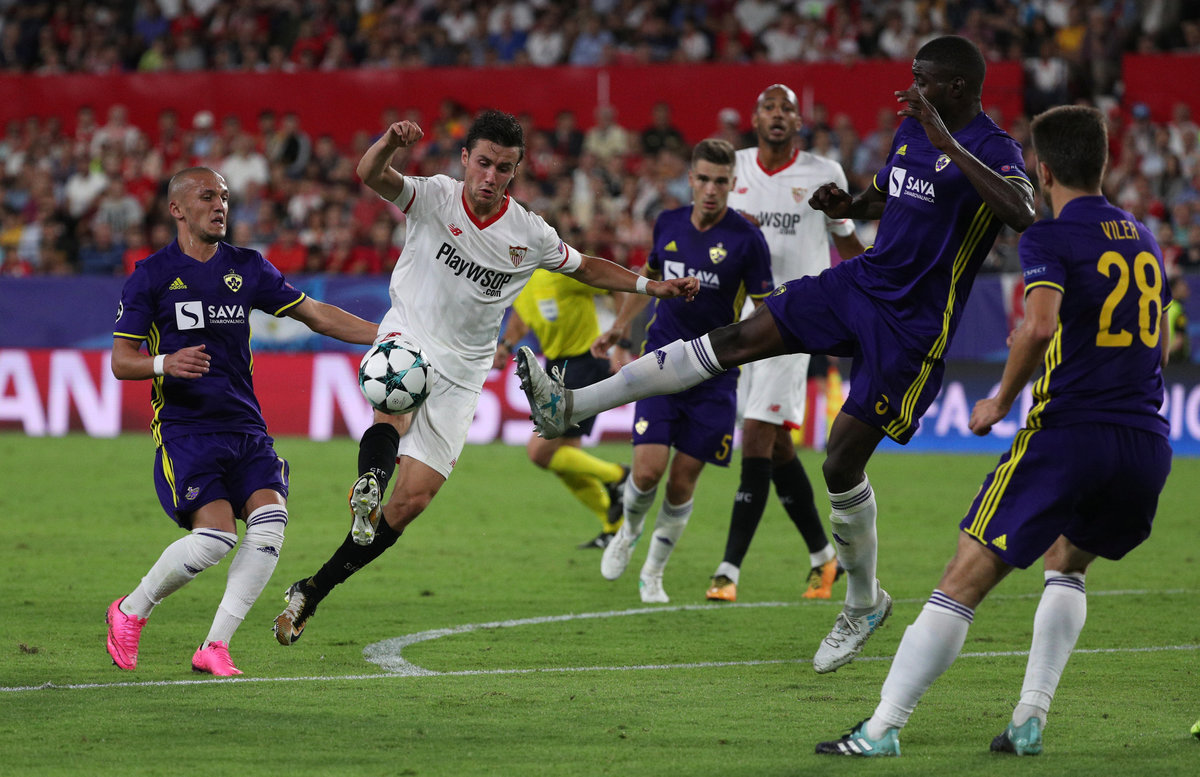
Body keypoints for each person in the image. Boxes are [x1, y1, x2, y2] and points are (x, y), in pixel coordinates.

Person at [517, 36, 1035, 671]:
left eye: (922, 79)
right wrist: (850, 206)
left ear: (955, 87)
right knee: (739, 337)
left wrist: (946, 141)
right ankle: (570, 404)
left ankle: (863, 601)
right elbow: (889, 195)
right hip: (863, 284)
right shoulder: (912, 129)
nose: (911, 89)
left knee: (840, 463)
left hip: (915, 325)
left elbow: (1023, 212)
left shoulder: (991, 146)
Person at [815, 104, 1172, 757]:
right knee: (1067, 561)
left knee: (964, 574)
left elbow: (1039, 325)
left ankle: (881, 728)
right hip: (1147, 443)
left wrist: (1001, 398)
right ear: (1103, 163)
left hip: (1071, 434)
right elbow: (1163, 348)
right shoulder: (1143, 238)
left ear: (1044, 170)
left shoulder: (1048, 235)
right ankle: (1030, 718)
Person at [273, 110, 698, 645]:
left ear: (515, 171)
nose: (490, 176)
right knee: (394, 397)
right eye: (483, 163)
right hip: (410, 334)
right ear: (464, 159)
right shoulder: (434, 196)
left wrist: (649, 287)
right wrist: (389, 142)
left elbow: (586, 266)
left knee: (412, 502)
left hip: (465, 370)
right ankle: (370, 482)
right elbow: (371, 174)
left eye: (503, 168)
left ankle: (312, 589)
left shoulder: (529, 233)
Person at [105, 167, 380, 676]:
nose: (220, 205)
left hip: (246, 427)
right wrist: (165, 362)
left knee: (271, 520)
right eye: (207, 196)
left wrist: (386, 335)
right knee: (216, 538)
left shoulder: (247, 267)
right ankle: (130, 610)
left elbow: (315, 314)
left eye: (225, 197)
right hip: (186, 429)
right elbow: (122, 361)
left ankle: (215, 646)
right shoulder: (151, 275)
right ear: (177, 209)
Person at [588, 138, 773, 603]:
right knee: (648, 471)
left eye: (720, 181)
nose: (711, 189)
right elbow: (648, 281)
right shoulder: (668, 223)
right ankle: (628, 532)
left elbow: (765, 308)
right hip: (661, 363)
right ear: (690, 179)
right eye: (703, 179)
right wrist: (620, 328)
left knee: (682, 480)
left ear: (732, 184)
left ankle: (653, 571)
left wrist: (753, 348)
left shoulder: (748, 240)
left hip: (715, 376)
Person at [705, 83, 866, 606]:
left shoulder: (824, 172)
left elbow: (845, 238)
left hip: (796, 320)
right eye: (769, 108)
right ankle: (823, 556)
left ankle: (727, 570)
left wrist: (875, 290)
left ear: (799, 122)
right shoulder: (734, 168)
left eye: (787, 109)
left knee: (756, 434)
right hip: (740, 323)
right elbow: (708, 230)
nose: (777, 115)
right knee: (776, 445)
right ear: (754, 119)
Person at [493, 269, 629, 550]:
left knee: (540, 452)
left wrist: (621, 343)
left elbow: (616, 287)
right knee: (566, 461)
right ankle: (615, 529)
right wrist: (506, 345)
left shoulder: (562, 272)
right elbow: (521, 317)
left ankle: (618, 476)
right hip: (557, 367)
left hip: (584, 362)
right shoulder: (523, 279)